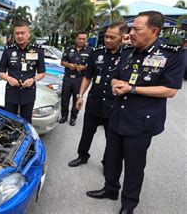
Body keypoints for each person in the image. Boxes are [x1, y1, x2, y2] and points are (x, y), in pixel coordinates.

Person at [86, 11, 185, 214]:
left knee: (134, 166)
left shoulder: (171, 54)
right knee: (112, 158)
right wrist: (116, 83)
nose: (131, 33)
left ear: (154, 31)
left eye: (136, 29)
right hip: (117, 115)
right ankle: (110, 188)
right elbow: (113, 77)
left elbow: (170, 90)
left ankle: (129, 204)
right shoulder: (128, 51)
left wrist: (132, 89)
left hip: (141, 122)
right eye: (131, 28)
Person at [68, 22, 127, 167]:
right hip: (94, 102)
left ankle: (108, 162)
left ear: (122, 37)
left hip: (114, 105)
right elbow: (87, 77)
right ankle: (82, 156)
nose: (107, 40)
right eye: (106, 36)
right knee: (87, 133)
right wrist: (80, 96)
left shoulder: (128, 55)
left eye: (112, 37)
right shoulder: (97, 53)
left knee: (112, 138)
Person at [0, 20, 46, 123]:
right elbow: (1, 72)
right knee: (9, 121)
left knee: (26, 121)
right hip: (11, 93)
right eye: (17, 33)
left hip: (28, 93)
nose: (19, 36)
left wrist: (33, 79)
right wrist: (8, 78)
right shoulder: (8, 51)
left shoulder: (37, 51)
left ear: (29, 34)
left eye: (22, 33)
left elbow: (42, 72)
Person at [60, 31, 91, 126]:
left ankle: (73, 117)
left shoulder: (90, 51)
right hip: (68, 78)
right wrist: (68, 65)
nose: (81, 40)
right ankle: (64, 116)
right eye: (79, 38)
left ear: (86, 39)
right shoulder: (69, 49)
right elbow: (62, 62)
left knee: (76, 99)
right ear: (76, 39)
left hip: (79, 79)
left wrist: (84, 67)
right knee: (64, 99)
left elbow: (92, 65)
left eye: (83, 39)